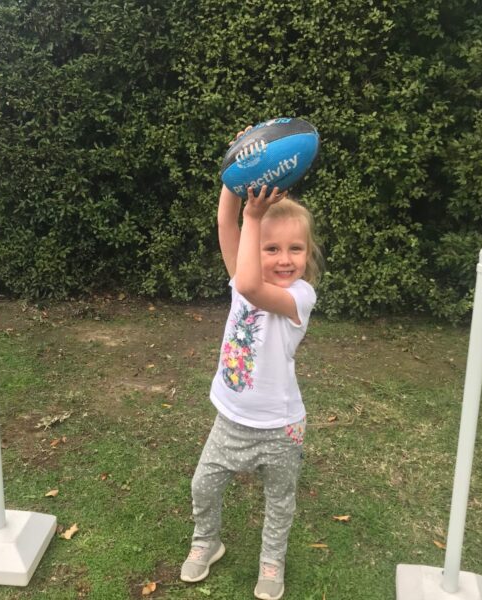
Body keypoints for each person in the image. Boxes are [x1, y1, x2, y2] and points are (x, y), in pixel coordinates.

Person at [180, 131, 322, 600]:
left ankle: (271, 562)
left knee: (279, 501)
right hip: (232, 419)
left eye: (295, 250)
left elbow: (249, 284)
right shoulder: (244, 272)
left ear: (308, 255)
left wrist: (255, 216)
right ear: (254, 247)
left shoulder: (298, 297)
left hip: (281, 426)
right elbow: (226, 226)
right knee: (204, 485)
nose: (284, 259)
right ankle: (207, 542)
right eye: (271, 248)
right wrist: (236, 169)